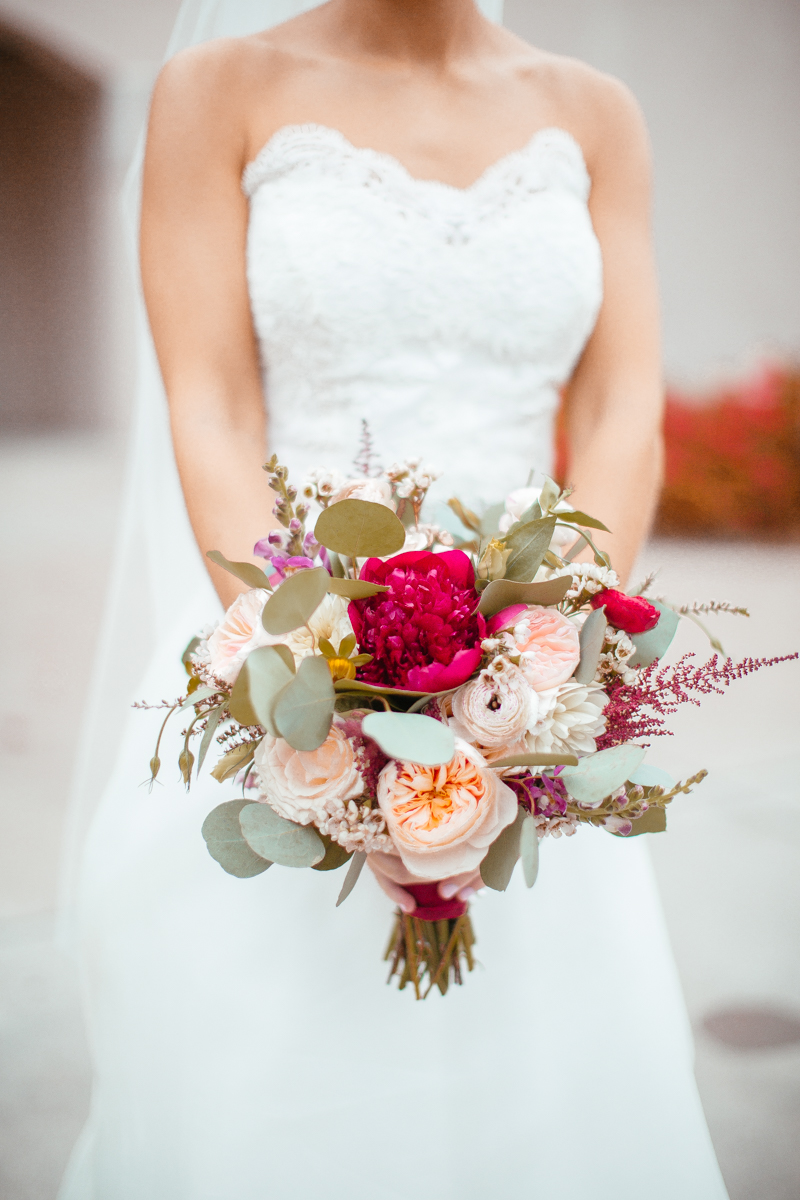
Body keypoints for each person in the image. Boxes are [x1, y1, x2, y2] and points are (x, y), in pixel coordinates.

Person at [59, 1, 730, 1197]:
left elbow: (624, 408)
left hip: (530, 677)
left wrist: (546, 660)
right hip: (284, 663)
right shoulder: (220, 88)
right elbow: (209, 408)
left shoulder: (592, 113)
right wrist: (326, 689)